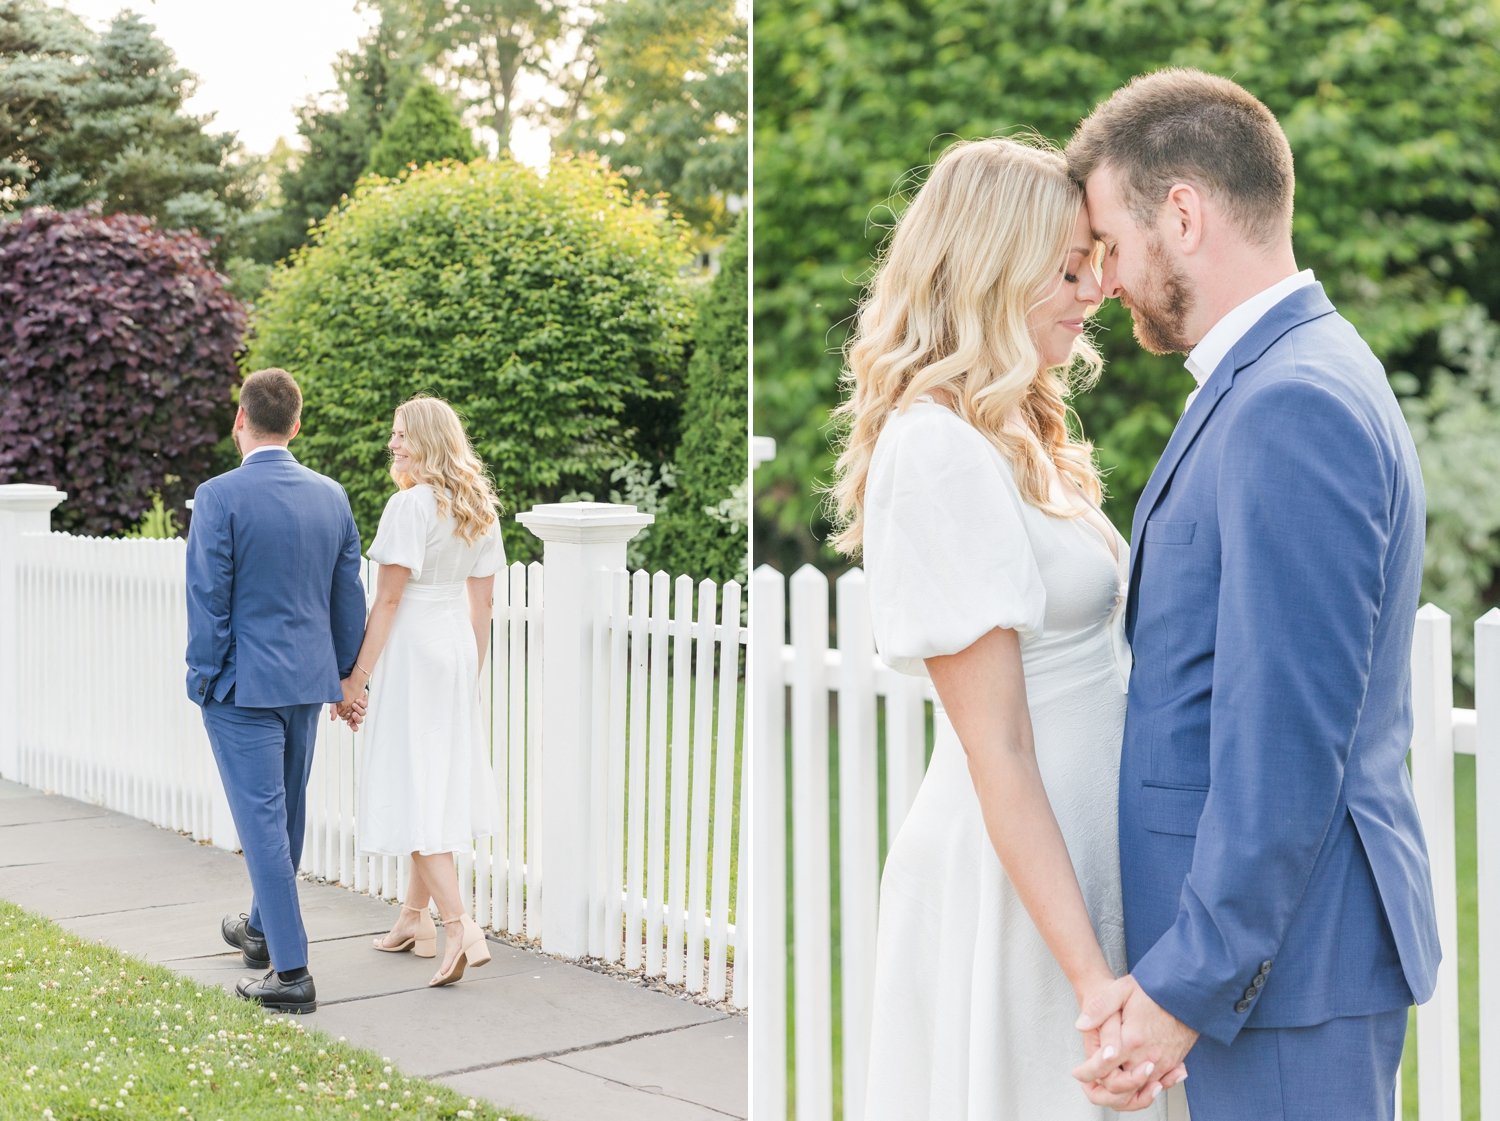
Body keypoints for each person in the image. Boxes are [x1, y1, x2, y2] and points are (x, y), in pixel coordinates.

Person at [1065, 69, 1440, 1120]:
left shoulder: (1291, 402)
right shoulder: (1289, 372)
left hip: (1284, 973)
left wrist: (1191, 978)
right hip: (1278, 968)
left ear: (1180, 214)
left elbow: (1284, 734)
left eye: (1113, 243)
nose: (1105, 279)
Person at [830, 136, 1182, 1119]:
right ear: (993, 268)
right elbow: (1002, 747)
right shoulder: (935, 447)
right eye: (1071, 268)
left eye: (1096, 264)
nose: (1095, 290)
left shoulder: (1019, 428)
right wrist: (1090, 979)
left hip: (1089, 853)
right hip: (1024, 879)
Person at [186, 367, 367, 1014]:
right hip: (307, 683)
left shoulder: (217, 496)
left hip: (241, 687)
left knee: (265, 821)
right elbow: (348, 596)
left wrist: (203, 679)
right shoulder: (332, 496)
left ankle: (291, 971)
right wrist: (350, 679)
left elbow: (210, 598)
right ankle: (261, 931)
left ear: (240, 419)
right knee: (286, 811)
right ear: (296, 425)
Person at [347, 394, 505, 987]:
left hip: (414, 649)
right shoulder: (478, 506)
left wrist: (357, 677)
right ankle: (414, 921)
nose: (393, 444)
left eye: (403, 436)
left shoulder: (410, 506)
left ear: (428, 442)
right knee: (433, 779)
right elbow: (483, 602)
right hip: (456, 649)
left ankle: (461, 924)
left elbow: (388, 599)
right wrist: (472, 670)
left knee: (414, 786)